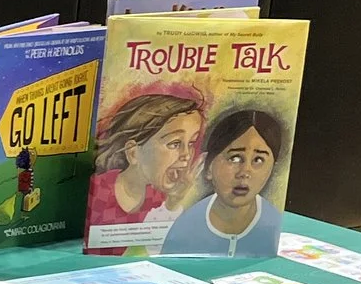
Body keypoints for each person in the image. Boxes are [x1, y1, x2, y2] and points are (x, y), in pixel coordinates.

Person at [161, 108, 287, 257]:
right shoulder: (185, 227)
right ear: (208, 167)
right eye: (234, 158)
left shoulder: (275, 227)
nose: (245, 172)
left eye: (258, 160)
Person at [87, 92, 204, 235]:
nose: (187, 155)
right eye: (174, 144)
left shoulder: (163, 197)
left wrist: (173, 204)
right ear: (133, 153)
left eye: (191, 143)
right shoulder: (99, 190)